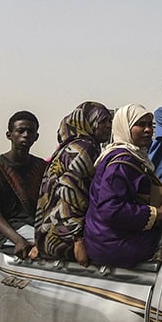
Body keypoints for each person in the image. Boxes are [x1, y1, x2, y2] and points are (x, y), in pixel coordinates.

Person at [84, 104, 162, 268]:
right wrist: (160, 213)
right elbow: (111, 209)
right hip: (114, 244)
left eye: (150, 124)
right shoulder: (122, 162)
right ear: (126, 127)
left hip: (105, 240)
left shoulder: (132, 156)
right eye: (140, 125)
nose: (148, 130)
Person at [32, 102, 112, 265]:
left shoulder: (68, 147)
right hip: (65, 238)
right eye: (103, 121)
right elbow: (70, 193)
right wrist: (77, 240)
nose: (108, 126)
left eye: (109, 121)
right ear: (88, 123)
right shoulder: (84, 149)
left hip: (50, 234)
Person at [0, 111, 47, 259]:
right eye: (20, 131)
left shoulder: (41, 166)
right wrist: (18, 241)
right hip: (6, 229)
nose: (26, 135)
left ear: (36, 137)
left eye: (30, 131)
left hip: (36, 226)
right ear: (9, 135)